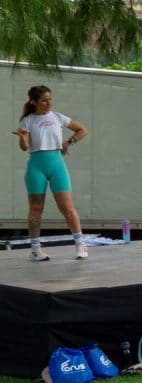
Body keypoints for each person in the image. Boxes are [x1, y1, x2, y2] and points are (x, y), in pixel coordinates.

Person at [13, 85, 89, 261]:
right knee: (35, 208)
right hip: (36, 166)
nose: (48, 103)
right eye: (44, 100)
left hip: (56, 165)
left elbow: (82, 130)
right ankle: (35, 250)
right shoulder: (28, 120)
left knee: (67, 207)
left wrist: (69, 142)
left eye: (50, 99)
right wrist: (23, 138)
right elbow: (24, 147)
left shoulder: (57, 117)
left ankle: (80, 244)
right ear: (34, 102)